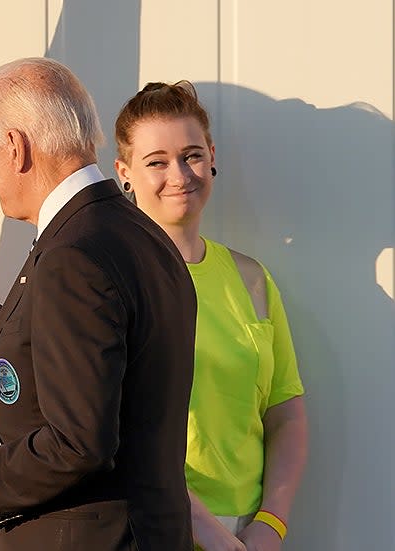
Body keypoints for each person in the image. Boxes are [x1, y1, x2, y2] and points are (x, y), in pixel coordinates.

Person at [0, 57, 196, 550]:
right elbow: (75, 362)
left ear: (15, 147)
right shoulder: (138, 233)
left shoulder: (73, 254)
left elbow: (77, 443)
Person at [113, 81, 308, 551]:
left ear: (212, 155)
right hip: (153, 532)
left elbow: (285, 414)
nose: (179, 174)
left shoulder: (251, 279)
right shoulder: (113, 282)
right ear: (124, 174)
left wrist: (270, 525)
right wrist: (212, 537)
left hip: (248, 536)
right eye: (156, 161)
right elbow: (118, 433)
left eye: (192, 154)